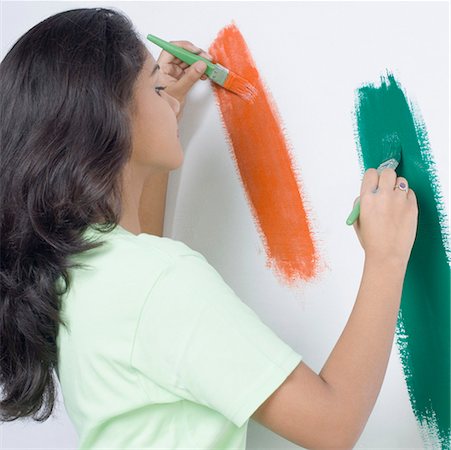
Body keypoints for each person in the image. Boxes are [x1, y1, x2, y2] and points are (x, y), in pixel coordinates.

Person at [0, 7, 418, 450]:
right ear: (112, 119)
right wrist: (386, 258)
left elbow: (148, 278)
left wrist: (159, 117)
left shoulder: (78, 266)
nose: (174, 100)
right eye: (158, 90)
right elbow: (333, 426)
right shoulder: (154, 280)